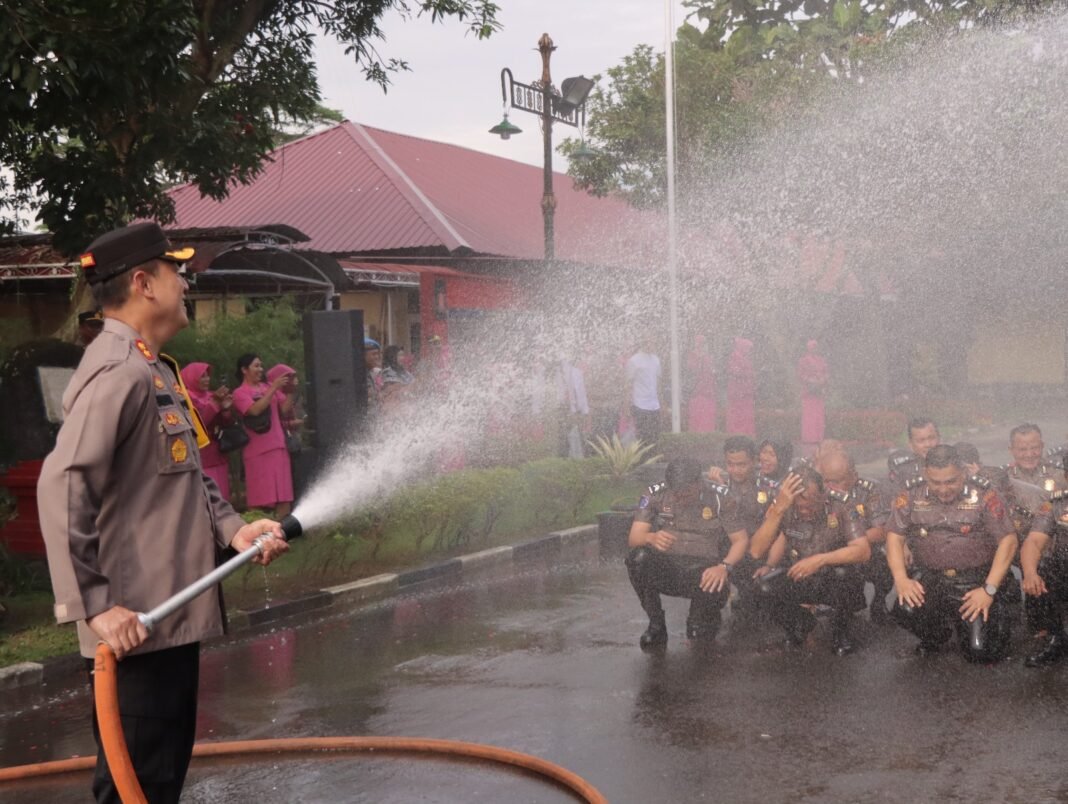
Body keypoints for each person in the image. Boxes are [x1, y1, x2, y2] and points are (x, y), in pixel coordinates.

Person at [36, 222, 288, 804]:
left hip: (167, 618)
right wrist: (96, 607)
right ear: (145, 283)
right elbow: (62, 483)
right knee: (135, 787)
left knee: (158, 781)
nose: (187, 281)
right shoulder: (119, 372)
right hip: (135, 631)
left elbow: (183, 478)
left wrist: (235, 528)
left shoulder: (153, 370)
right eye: (177, 271)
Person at [885, 444, 1017, 661]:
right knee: (903, 607)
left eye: (951, 481)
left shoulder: (985, 494)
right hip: (932, 578)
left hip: (975, 582)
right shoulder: (911, 493)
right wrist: (901, 579)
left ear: (963, 473)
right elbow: (894, 536)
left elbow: (1009, 540)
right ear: (926, 474)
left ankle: (995, 619)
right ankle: (938, 635)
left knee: (980, 653)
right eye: (936, 482)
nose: (943, 489)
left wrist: (989, 590)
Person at [625, 458, 748, 649]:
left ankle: (703, 616)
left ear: (699, 483)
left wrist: (724, 567)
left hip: (706, 575)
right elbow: (634, 537)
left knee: (699, 635)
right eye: (677, 494)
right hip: (671, 570)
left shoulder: (721, 496)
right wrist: (651, 538)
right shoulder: (654, 493)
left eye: (687, 493)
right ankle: (656, 623)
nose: (682, 499)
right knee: (637, 558)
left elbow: (740, 541)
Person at [749, 468, 871, 655]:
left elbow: (862, 550)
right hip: (799, 572)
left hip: (834, 576)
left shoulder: (842, 504)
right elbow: (756, 550)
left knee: (843, 575)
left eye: (811, 506)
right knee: (762, 587)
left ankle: (841, 632)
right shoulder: (783, 506)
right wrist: (778, 510)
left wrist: (820, 560)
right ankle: (799, 625)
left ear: (823, 495)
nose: (805, 511)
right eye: (800, 507)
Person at [819, 449, 892, 623]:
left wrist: (851, 540)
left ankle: (879, 601)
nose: (830, 487)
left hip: (866, 549)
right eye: (826, 480)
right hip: (830, 550)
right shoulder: (818, 492)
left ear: (854, 475)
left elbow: (881, 530)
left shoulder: (869, 490)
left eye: (836, 481)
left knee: (887, 561)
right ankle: (843, 603)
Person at [233, 353, 296, 519]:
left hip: (278, 446)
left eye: (261, 366)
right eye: (256, 366)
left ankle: (283, 533)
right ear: (244, 370)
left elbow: (283, 409)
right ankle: (260, 534)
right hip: (257, 452)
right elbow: (254, 410)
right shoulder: (240, 393)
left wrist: (290, 390)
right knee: (259, 497)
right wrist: (273, 388)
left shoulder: (266, 386)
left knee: (283, 495)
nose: (260, 369)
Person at [1019, 454, 1068, 666]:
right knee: (1047, 566)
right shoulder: (1057, 504)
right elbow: (1034, 542)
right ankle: (1058, 636)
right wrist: (1030, 573)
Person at [180, 362, 235, 500]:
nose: (207, 379)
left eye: (207, 376)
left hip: (218, 452)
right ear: (191, 377)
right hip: (201, 454)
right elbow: (199, 424)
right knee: (207, 499)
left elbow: (225, 423)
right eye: (202, 376)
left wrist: (226, 409)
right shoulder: (185, 397)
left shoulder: (210, 395)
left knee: (223, 497)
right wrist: (215, 403)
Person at [625, 339, 662, 447]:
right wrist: (626, 405)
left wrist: (662, 403)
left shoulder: (656, 360)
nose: (651, 345)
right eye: (648, 342)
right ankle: (643, 462)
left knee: (654, 437)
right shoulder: (634, 360)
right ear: (643, 343)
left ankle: (653, 461)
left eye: (652, 342)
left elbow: (658, 383)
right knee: (642, 437)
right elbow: (628, 384)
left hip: (654, 405)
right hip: (640, 404)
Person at [887, 417, 940, 491]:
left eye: (931, 438)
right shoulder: (903, 471)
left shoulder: (954, 464)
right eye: (921, 440)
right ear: (911, 445)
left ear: (939, 439)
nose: (928, 444)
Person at [797, 340, 828, 446]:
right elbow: (800, 375)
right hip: (809, 392)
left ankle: (819, 436)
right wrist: (811, 381)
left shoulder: (822, 360)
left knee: (819, 415)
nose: (814, 348)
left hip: (819, 392)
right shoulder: (803, 360)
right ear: (808, 347)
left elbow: (825, 373)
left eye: (816, 346)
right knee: (809, 415)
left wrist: (822, 380)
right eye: (812, 346)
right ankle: (809, 437)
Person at [685, 334, 717, 433]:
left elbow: (711, 372)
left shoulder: (708, 357)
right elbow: (692, 369)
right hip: (697, 393)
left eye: (704, 343)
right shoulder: (693, 356)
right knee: (697, 419)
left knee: (708, 419)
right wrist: (700, 359)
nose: (703, 346)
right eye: (701, 343)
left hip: (708, 393)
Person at [725, 337, 755, 436]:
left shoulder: (744, 357)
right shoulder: (735, 356)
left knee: (745, 414)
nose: (748, 350)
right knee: (738, 414)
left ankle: (745, 433)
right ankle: (738, 433)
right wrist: (747, 374)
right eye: (747, 348)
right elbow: (734, 371)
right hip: (738, 392)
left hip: (745, 392)